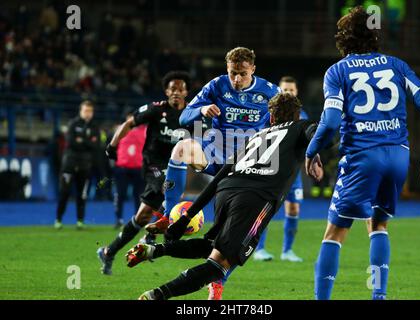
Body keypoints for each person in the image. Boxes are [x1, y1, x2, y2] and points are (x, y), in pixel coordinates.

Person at [304, 6, 420, 300]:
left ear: (343, 39)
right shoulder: (397, 65)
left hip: (362, 156)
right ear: (376, 36)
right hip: (397, 156)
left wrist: (312, 149)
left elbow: (329, 122)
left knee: (335, 232)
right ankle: (378, 296)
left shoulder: (338, 71)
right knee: (378, 225)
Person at [125, 93, 320, 300]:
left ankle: (154, 250)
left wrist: (185, 218)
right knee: (220, 265)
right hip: (255, 198)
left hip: (225, 192)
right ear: (297, 116)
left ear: (271, 118)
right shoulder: (300, 127)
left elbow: (218, 178)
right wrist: (314, 152)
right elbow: (317, 133)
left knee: (212, 245)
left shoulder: (256, 137)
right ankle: (155, 296)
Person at [146, 47, 281, 299]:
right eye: (232, 73)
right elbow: (185, 116)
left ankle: (218, 280)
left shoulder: (271, 92)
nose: (236, 79)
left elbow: (291, 121)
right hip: (216, 152)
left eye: (241, 73)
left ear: (253, 69)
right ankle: (168, 216)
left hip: (247, 164)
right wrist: (202, 110)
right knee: (182, 148)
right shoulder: (217, 86)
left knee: (233, 233)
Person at [96, 71, 191, 275]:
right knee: (169, 187)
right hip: (153, 165)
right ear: (166, 91)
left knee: (142, 216)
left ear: (186, 92)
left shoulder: (191, 115)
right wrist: (112, 146)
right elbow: (129, 123)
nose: (176, 92)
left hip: (175, 166)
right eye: (172, 88)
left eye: (180, 88)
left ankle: (108, 251)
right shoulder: (156, 110)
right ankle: (150, 237)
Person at [254, 76, 308, 262]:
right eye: (284, 90)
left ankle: (287, 251)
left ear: (297, 92)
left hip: (293, 173)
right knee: (264, 208)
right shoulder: (269, 114)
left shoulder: (303, 116)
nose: (288, 93)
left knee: (293, 209)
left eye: (291, 90)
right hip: (271, 169)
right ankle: (258, 249)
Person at [54, 101, 100, 230]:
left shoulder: (95, 126)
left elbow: (96, 146)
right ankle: (58, 219)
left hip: (85, 165)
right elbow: (71, 142)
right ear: (80, 111)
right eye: (85, 111)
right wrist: (88, 141)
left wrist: (81, 140)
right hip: (69, 164)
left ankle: (80, 221)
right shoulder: (73, 124)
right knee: (64, 193)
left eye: (90, 111)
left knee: (82, 194)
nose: (87, 114)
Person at [112, 110, 146, 229]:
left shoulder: (146, 131)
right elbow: (112, 147)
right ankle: (118, 219)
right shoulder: (120, 130)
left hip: (139, 168)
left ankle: (138, 220)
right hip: (122, 168)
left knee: (139, 196)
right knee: (120, 194)